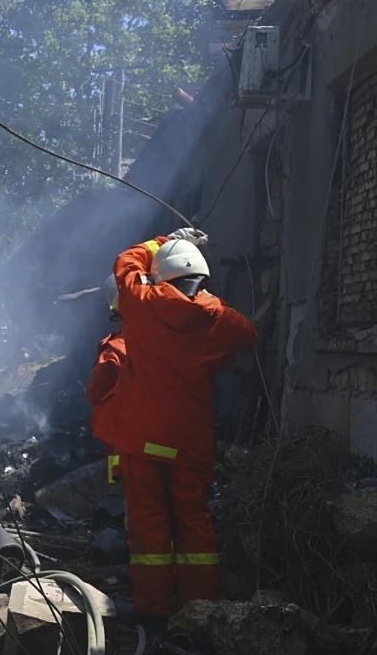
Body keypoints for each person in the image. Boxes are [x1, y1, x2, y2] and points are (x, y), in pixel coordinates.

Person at [114, 228, 257, 619]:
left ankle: (155, 608)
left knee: (149, 522)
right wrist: (212, 306)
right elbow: (249, 333)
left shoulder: (142, 302)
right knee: (193, 518)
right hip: (189, 440)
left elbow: (126, 261)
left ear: (163, 276)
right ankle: (200, 607)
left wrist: (163, 240)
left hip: (143, 437)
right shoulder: (219, 319)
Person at [87, 273, 125, 486]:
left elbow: (96, 393)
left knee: (138, 505)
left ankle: (118, 504)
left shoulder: (117, 351)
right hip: (183, 445)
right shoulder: (176, 342)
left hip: (128, 446)